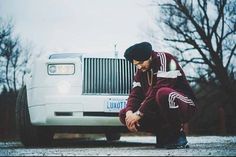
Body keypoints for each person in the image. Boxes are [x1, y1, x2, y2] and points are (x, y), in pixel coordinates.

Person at [119, 42, 197, 149]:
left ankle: (177, 134)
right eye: (136, 64)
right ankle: (163, 133)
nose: (139, 66)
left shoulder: (166, 59)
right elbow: (135, 94)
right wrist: (129, 113)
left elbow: (158, 89)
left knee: (163, 93)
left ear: (150, 56)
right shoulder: (141, 70)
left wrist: (139, 113)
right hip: (160, 109)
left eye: (141, 62)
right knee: (124, 114)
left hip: (184, 104)